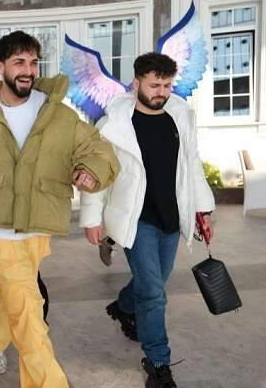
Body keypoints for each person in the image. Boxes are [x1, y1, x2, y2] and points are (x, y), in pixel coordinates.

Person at [0, 30, 119, 387]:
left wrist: (90, 171)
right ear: (0, 66)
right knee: (31, 310)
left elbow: (97, 149)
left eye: (33, 62)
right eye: (19, 62)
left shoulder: (57, 113)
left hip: (39, 220)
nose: (28, 70)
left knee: (13, 295)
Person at [79, 52, 215, 388]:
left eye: (167, 85)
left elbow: (192, 164)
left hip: (171, 215)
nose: (162, 92)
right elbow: (99, 174)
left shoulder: (180, 116)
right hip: (136, 219)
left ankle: (124, 307)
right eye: (155, 85)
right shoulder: (113, 125)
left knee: (155, 282)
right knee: (154, 293)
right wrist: (92, 218)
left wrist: (201, 209)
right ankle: (158, 363)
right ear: (136, 82)